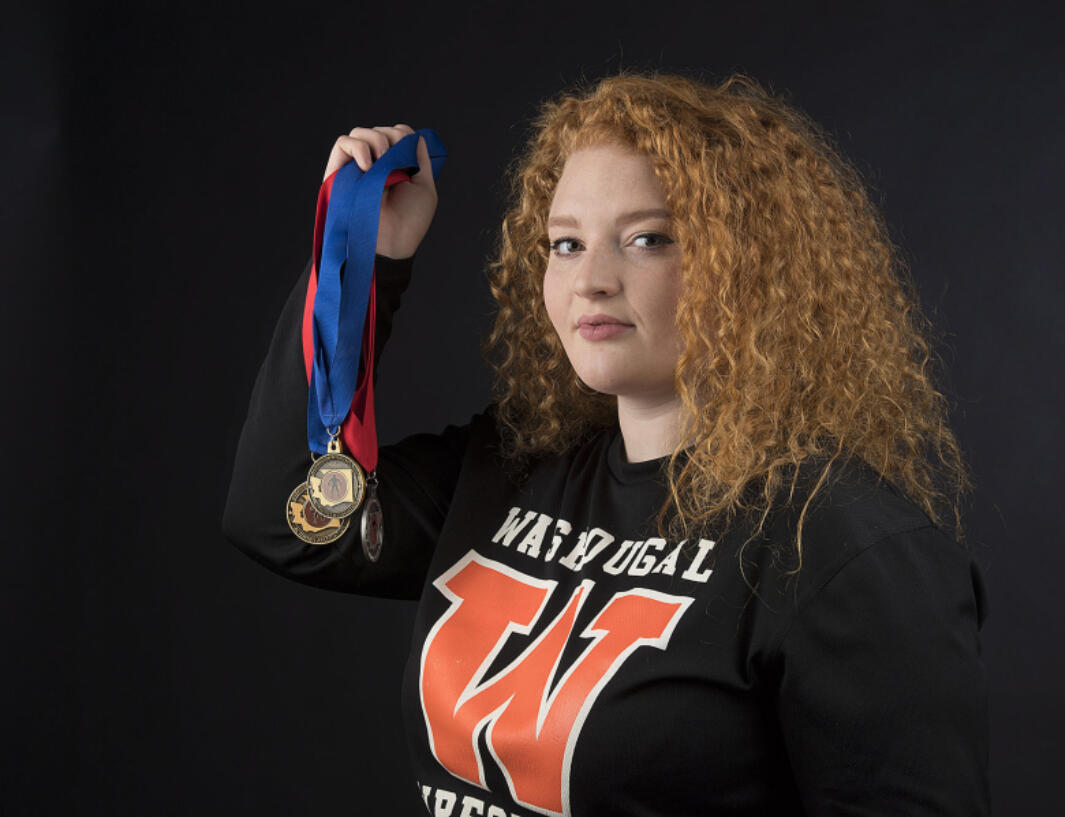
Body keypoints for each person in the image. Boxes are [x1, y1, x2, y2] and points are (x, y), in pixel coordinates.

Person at [223, 71, 989, 816]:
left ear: (751, 267)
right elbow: (283, 516)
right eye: (565, 244)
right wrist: (368, 256)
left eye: (647, 239)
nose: (591, 279)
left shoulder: (841, 547)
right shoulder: (513, 464)